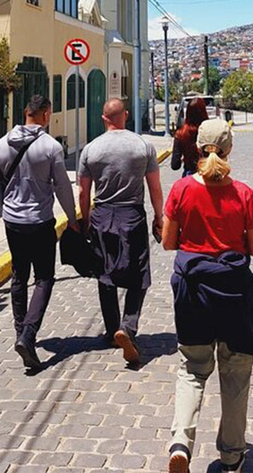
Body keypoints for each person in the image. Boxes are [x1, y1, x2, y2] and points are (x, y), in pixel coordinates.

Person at [163, 119, 253, 473]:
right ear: (229, 148)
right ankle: (232, 454)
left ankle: (180, 441)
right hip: (234, 294)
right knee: (236, 375)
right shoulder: (243, 194)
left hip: (192, 291)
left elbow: (167, 242)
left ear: (197, 148)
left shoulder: (180, 192)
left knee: (192, 369)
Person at [0, 95, 79, 370]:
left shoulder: (1, 144)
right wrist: (72, 218)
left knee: (19, 275)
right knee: (44, 278)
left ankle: (19, 330)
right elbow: (62, 186)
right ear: (46, 114)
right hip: (40, 221)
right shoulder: (51, 147)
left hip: (12, 221)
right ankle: (28, 334)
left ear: (25, 112)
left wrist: (6, 206)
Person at [78, 98, 164, 365]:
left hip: (103, 214)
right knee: (139, 274)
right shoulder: (142, 146)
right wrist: (159, 217)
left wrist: (85, 220)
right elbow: (155, 188)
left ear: (104, 119)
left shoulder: (91, 149)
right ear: (125, 115)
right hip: (132, 214)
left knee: (105, 274)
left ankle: (111, 328)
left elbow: (83, 191)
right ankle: (127, 327)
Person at [171, 97, 208, 177]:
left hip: (189, 176)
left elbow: (175, 165)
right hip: (209, 175)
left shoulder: (181, 134)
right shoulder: (209, 131)